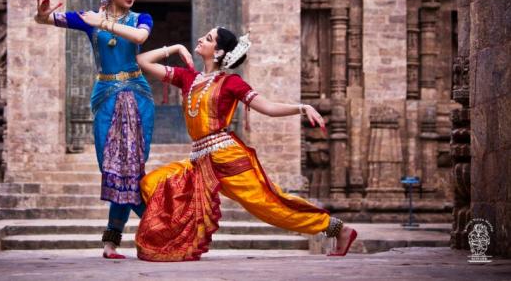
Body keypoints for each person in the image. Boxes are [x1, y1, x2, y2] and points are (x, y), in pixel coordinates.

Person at [134, 27, 357, 261]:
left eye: (208, 38)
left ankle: (339, 229)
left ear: (218, 52)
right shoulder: (188, 77)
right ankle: (177, 237)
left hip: (227, 158)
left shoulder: (231, 83)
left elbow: (268, 108)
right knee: (152, 183)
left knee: (271, 206)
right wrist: (176, 47)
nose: (200, 39)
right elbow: (141, 60)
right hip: (199, 162)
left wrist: (302, 107)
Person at [34, 0, 155, 259]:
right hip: (105, 97)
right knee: (111, 168)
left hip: (137, 96)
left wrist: (103, 24)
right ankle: (159, 219)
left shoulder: (141, 18)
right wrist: (42, 15)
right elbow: (47, 21)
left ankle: (116, 240)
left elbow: (140, 39)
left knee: (131, 170)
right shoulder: (89, 19)